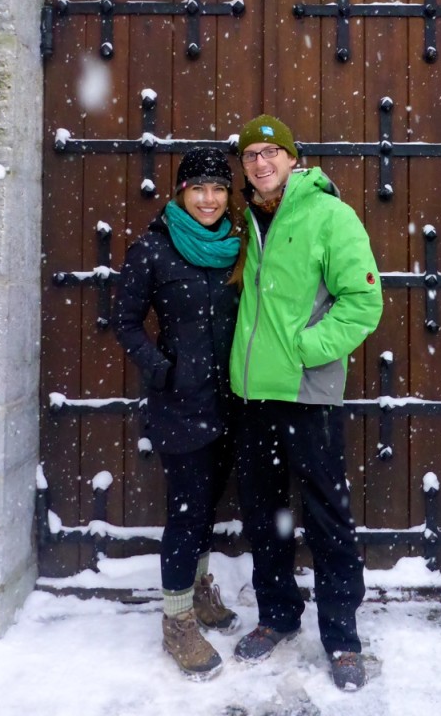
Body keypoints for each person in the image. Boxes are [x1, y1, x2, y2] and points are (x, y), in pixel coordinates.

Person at [229, 115, 383, 692]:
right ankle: (276, 616)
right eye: (251, 156)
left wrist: (304, 349)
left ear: (294, 159)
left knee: (325, 516)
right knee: (265, 515)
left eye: (272, 152)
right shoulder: (245, 221)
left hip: (307, 393)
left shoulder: (329, 216)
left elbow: (363, 301)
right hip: (251, 396)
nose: (262, 163)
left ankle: (342, 636)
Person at [112, 146, 241, 681]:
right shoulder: (153, 250)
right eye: (198, 189)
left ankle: (201, 588)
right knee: (186, 513)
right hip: (180, 405)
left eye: (217, 189)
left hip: (232, 399)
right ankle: (177, 621)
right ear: (180, 193)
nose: (208, 199)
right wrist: (162, 369)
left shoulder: (238, 248)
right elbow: (123, 321)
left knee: (209, 503)